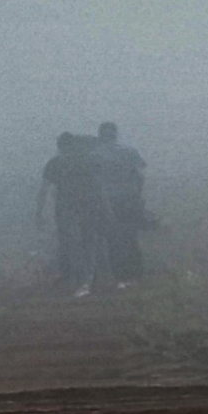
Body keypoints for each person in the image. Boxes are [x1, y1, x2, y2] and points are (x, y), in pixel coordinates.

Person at [35, 132, 98, 291]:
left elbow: (44, 189)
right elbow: (98, 186)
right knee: (87, 241)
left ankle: (78, 277)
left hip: (65, 208)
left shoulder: (54, 163)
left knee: (70, 243)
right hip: (86, 206)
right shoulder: (85, 162)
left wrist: (39, 212)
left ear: (59, 146)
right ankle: (88, 276)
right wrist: (104, 207)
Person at [90, 120, 148, 284]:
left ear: (100, 136)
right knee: (131, 237)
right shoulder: (130, 151)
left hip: (108, 201)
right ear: (115, 135)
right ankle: (136, 275)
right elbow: (140, 175)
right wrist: (138, 196)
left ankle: (121, 277)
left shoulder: (95, 155)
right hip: (130, 199)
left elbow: (96, 183)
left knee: (113, 239)